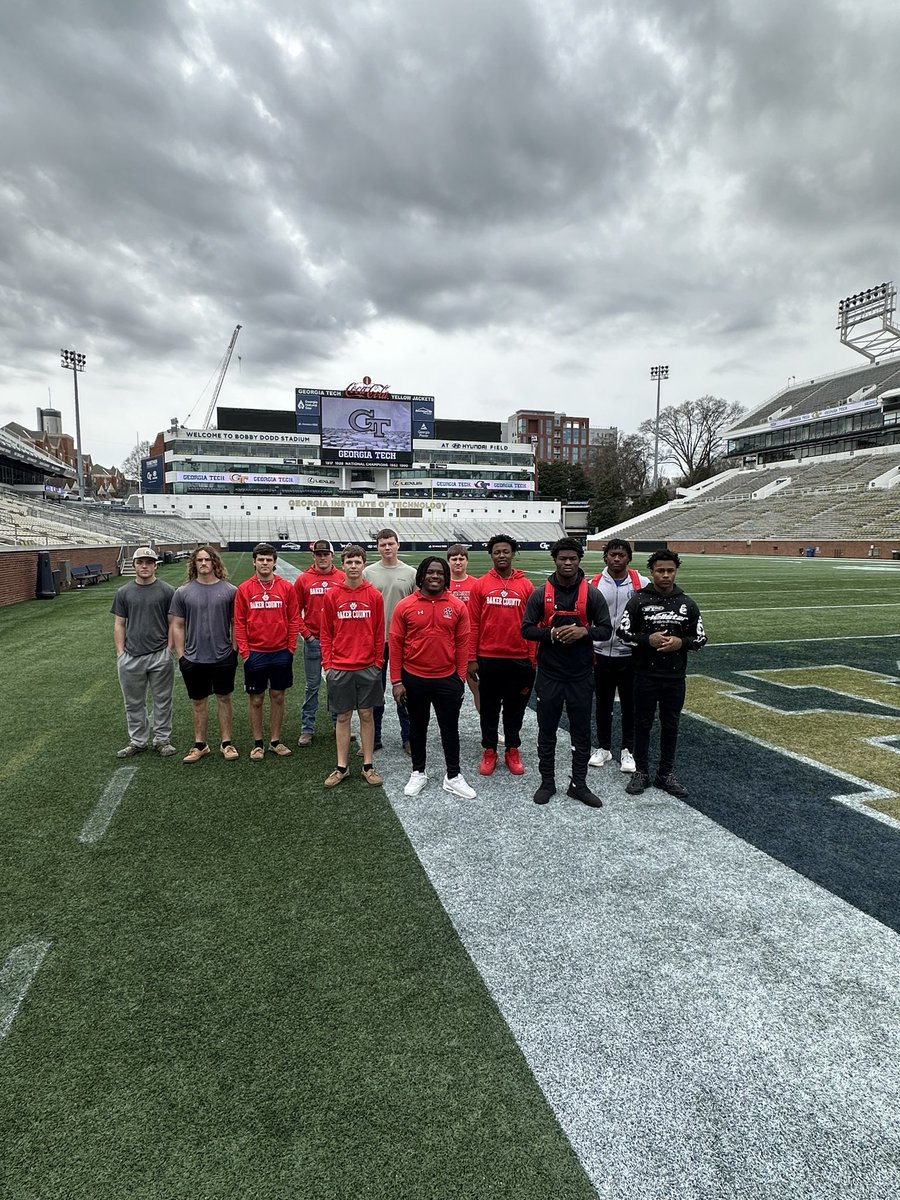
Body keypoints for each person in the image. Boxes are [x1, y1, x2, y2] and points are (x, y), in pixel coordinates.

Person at [522, 539, 611, 807]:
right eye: (563, 558)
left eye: (573, 558)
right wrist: (550, 633)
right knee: (546, 730)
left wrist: (584, 632)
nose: (568, 563)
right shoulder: (541, 594)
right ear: (555, 560)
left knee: (581, 732)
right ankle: (547, 782)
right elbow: (526, 629)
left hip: (581, 675)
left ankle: (578, 784)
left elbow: (606, 630)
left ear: (579, 560)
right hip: (549, 675)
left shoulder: (592, 594)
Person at [617, 550, 707, 798]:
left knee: (671, 725)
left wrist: (681, 643)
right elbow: (622, 634)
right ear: (652, 572)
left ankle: (665, 773)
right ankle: (641, 772)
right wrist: (648, 639)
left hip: (675, 677)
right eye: (660, 571)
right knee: (641, 724)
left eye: (670, 571)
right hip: (644, 675)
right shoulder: (638, 601)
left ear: (675, 572)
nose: (665, 575)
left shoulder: (687, 603)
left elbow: (700, 638)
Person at [390, 557, 475, 799]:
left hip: (446, 678)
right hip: (414, 678)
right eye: (430, 572)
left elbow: (462, 645)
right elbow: (395, 645)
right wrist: (396, 681)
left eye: (439, 573)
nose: (435, 576)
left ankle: (453, 775)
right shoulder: (405, 606)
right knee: (417, 728)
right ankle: (418, 771)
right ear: (421, 576)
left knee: (450, 729)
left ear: (446, 577)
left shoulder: (458, 606)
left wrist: (459, 679)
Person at [467, 534, 536, 776]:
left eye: (506, 551)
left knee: (515, 708)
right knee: (489, 708)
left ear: (513, 553)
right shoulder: (480, 585)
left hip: (518, 659)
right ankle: (489, 749)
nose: (502, 556)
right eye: (497, 552)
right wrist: (471, 658)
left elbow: (532, 624)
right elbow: (473, 623)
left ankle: (512, 749)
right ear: (491, 555)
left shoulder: (525, 585)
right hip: (488, 658)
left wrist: (532, 657)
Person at [319, 545, 385, 788]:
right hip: (340, 667)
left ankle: (368, 765)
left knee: (367, 714)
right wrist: (328, 664)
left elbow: (380, 633)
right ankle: (342, 767)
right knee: (343, 716)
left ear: (364, 564)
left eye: (358, 562)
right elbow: (326, 633)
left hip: (367, 666)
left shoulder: (374, 595)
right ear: (343, 564)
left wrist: (377, 663)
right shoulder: (332, 595)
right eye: (349, 562)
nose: (354, 566)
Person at [170, 546, 239, 763]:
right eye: (199, 560)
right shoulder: (182, 592)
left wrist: (234, 650)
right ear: (194, 564)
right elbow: (178, 625)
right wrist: (182, 655)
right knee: (198, 702)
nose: (203, 563)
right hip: (194, 657)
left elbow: (235, 623)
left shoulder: (230, 591)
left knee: (224, 699)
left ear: (214, 562)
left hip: (222, 656)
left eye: (207, 559)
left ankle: (226, 743)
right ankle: (200, 744)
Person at [233, 542, 300, 761]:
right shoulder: (245, 589)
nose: (264, 563)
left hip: (281, 651)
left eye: (269, 559)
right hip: (256, 653)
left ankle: (275, 741)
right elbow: (240, 623)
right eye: (261, 559)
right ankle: (258, 743)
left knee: (278, 696)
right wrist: (245, 651)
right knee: (256, 699)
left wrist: (290, 648)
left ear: (274, 562)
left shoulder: (285, 588)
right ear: (254, 561)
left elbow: (294, 619)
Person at [589, 538, 649, 774]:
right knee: (603, 704)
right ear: (605, 557)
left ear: (628, 558)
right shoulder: (594, 583)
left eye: (621, 555)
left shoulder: (640, 582)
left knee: (630, 705)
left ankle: (628, 749)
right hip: (601, 653)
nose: (616, 558)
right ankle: (604, 747)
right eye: (612, 554)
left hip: (630, 654)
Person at [111, 546, 176, 758]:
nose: (145, 566)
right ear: (135, 565)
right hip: (131, 656)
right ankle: (138, 741)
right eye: (141, 562)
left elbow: (173, 623)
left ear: (155, 565)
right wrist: (121, 653)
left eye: (149, 562)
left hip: (159, 655)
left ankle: (162, 740)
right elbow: (120, 624)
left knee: (163, 700)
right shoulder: (124, 592)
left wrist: (169, 649)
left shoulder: (167, 591)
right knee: (133, 702)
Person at [363, 528, 416, 753]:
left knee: (405, 693)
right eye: (383, 544)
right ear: (377, 547)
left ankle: (408, 737)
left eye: (390, 543)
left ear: (397, 545)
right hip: (375, 642)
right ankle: (374, 737)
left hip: (403, 643)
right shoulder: (367, 573)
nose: (387, 548)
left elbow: (416, 606)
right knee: (375, 693)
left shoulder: (411, 573)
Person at [293, 539, 345, 746]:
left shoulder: (342, 578)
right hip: (314, 640)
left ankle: (338, 725)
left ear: (332, 556)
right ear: (313, 556)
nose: (322, 558)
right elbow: (294, 612)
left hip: (337, 642)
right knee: (312, 686)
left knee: (337, 685)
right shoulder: (304, 579)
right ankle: (307, 728)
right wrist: (307, 635)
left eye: (326, 554)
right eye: (318, 554)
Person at [447, 543, 480, 712]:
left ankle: (488, 731)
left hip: (472, 645)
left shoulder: (477, 584)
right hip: (448, 645)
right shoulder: (443, 585)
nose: (458, 562)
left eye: (461, 559)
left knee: (479, 690)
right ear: (448, 562)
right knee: (449, 692)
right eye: (454, 559)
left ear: (467, 562)